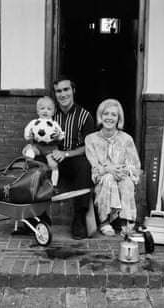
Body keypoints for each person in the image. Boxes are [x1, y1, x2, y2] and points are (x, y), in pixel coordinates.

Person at [85, 98, 142, 236]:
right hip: (103, 180)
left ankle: (125, 221)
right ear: (100, 116)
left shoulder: (126, 139)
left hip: (122, 176)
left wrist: (121, 171)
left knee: (126, 180)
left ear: (118, 119)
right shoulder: (91, 139)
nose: (109, 117)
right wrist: (107, 169)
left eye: (113, 115)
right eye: (106, 114)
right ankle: (104, 221)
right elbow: (94, 167)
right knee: (109, 178)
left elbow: (134, 166)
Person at [52, 76, 95, 239]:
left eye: (66, 89)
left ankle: (79, 219)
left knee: (84, 165)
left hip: (73, 160)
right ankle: (37, 216)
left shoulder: (85, 116)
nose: (62, 94)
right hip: (53, 160)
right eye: (58, 91)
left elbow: (89, 146)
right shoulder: (50, 114)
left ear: (73, 91)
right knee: (36, 164)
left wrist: (66, 153)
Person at [22, 96, 65, 187]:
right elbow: (27, 133)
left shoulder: (54, 124)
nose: (45, 111)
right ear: (38, 111)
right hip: (37, 146)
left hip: (50, 148)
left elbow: (61, 136)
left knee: (53, 165)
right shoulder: (34, 123)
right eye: (42, 108)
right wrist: (28, 135)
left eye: (49, 109)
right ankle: (29, 165)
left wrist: (58, 135)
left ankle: (54, 185)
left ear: (53, 112)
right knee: (30, 150)